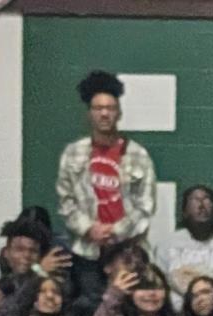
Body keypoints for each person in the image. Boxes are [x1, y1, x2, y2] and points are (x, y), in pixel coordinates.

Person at [55, 72, 156, 302]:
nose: (104, 113)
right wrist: (89, 228)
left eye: (110, 108)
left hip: (127, 253)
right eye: (98, 108)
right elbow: (66, 202)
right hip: (87, 253)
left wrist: (116, 231)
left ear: (119, 113)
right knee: (91, 311)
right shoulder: (73, 153)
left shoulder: (138, 155)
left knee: (129, 310)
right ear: (89, 113)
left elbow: (146, 206)